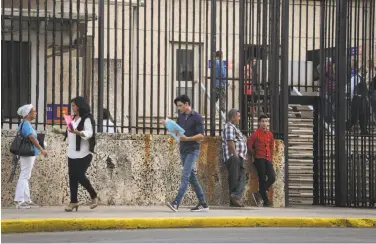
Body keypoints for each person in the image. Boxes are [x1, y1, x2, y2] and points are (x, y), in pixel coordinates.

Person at [165, 95, 209, 212]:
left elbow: (201, 136)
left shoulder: (197, 117)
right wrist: (167, 125)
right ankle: (203, 204)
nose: (179, 108)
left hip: (192, 150)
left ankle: (176, 203)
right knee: (192, 178)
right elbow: (177, 130)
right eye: (177, 106)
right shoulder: (181, 116)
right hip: (183, 150)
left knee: (185, 176)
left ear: (186, 104)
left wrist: (187, 139)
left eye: (180, 106)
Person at [64, 96, 98, 212]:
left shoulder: (87, 118)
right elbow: (71, 134)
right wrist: (60, 131)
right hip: (72, 153)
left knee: (79, 175)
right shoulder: (73, 119)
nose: (72, 108)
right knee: (72, 177)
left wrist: (77, 132)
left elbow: (89, 133)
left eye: (74, 105)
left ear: (79, 106)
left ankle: (93, 195)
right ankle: (73, 202)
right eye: (72, 106)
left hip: (84, 153)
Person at [14, 104, 48, 209]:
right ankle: (19, 200)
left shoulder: (25, 123)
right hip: (28, 153)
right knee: (24, 175)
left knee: (26, 175)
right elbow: (32, 138)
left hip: (29, 153)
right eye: (34, 111)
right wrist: (42, 150)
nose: (36, 113)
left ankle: (27, 199)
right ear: (28, 114)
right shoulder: (26, 124)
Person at [247, 114, 275, 207]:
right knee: (262, 179)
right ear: (259, 123)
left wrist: (271, 158)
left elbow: (271, 146)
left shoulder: (270, 134)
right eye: (262, 121)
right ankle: (266, 202)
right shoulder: (255, 134)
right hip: (259, 159)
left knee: (272, 177)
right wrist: (254, 153)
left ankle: (259, 193)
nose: (264, 123)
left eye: (266, 121)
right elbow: (249, 145)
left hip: (268, 159)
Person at [221, 109, 247, 207]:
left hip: (237, 156)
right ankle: (235, 197)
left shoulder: (233, 128)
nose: (239, 118)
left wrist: (243, 139)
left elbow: (241, 138)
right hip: (233, 156)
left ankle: (234, 199)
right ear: (233, 117)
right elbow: (230, 142)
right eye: (238, 116)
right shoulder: (229, 127)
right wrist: (235, 154)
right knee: (236, 178)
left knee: (238, 178)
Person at [346, 67, 370, 134]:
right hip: (356, 99)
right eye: (364, 71)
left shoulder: (363, 78)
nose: (365, 73)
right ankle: (346, 127)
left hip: (363, 99)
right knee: (354, 116)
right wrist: (352, 99)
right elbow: (352, 89)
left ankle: (363, 130)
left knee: (364, 115)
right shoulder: (355, 78)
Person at [215, 50, 227, 115]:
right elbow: (222, 74)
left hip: (215, 85)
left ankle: (212, 115)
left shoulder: (214, 62)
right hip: (220, 85)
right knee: (222, 102)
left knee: (214, 101)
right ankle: (222, 116)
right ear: (221, 55)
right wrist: (225, 82)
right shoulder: (220, 62)